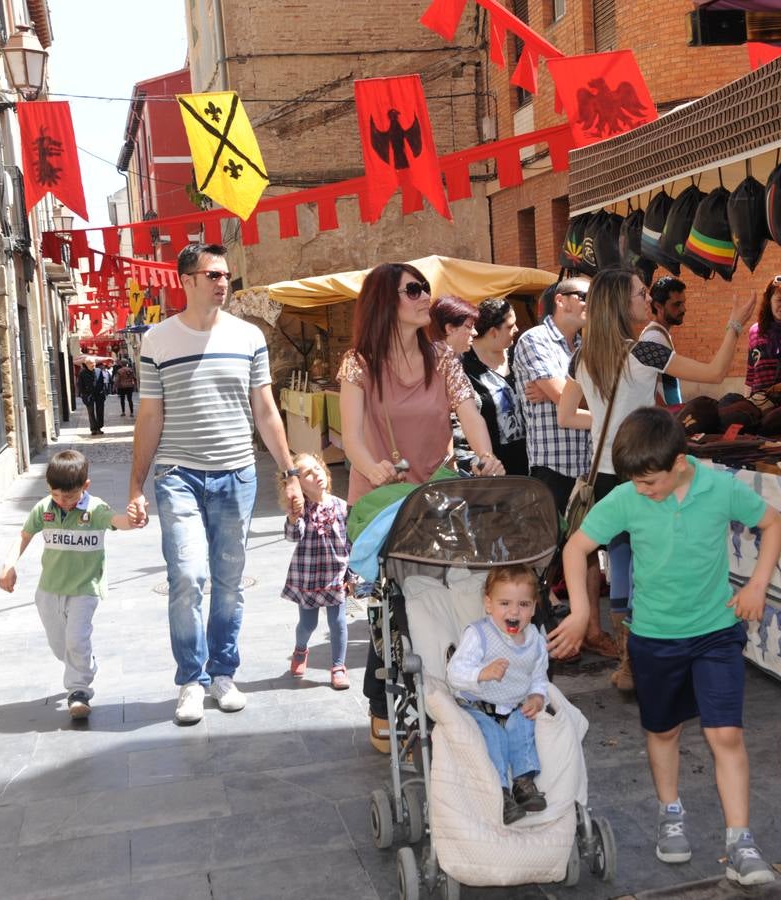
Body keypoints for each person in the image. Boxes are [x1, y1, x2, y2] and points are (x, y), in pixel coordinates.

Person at [551, 407, 781, 886]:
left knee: (726, 735)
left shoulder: (719, 488)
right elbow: (576, 548)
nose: (643, 491)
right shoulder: (626, 497)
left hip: (717, 631)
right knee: (664, 732)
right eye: (636, 483)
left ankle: (740, 841)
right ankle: (670, 811)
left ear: (680, 461)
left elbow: (774, 524)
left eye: (650, 482)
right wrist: (579, 612)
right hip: (654, 638)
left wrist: (757, 584)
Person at [127, 242, 304, 727]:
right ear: (186, 280)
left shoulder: (249, 337)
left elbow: (266, 411)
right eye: (212, 275)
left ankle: (223, 672)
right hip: (177, 474)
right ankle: (190, 679)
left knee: (228, 581)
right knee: (186, 575)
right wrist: (135, 486)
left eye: (226, 275)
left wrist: (289, 474)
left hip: (236, 474)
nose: (223, 283)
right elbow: (149, 416)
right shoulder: (157, 341)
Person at [558, 267, 756, 693]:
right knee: (655, 568)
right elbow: (716, 372)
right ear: (619, 303)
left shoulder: (582, 356)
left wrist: (608, 429)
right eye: (639, 293)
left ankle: (631, 663)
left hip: (605, 477)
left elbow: (565, 415)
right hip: (644, 474)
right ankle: (645, 658)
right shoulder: (645, 351)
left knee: (624, 567)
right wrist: (735, 324)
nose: (646, 299)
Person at [338, 262, 505, 751]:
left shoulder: (442, 358)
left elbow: (469, 413)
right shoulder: (360, 362)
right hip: (383, 497)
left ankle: (451, 689)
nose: (422, 297)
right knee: (397, 599)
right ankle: (380, 702)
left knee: (449, 592)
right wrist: (373, 467)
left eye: (425, 289)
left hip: (438, 494)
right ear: (384, 300)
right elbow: (350, 437)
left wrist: (487, 457)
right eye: (412, 289)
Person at [514, 275, 618, 659]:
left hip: (587, 465)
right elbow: (567, 401)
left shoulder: (588, 345)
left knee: (588, 548)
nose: (592, 302)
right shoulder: (534, 341)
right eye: (585, 296)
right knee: (548, 552)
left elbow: (590, 395)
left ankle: (589, 629)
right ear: (561, 300)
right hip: (553, 465)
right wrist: (562, 395)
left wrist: (566, 397)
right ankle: (542, 636)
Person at [0, 449, 142, 720]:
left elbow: (117, 522)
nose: (62, 501)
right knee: (59, 645)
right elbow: (24, 535)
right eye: (56, 494)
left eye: (70, 496)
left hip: (85, 589)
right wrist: (9, 564)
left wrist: (133, 520)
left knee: (76, 640)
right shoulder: (44, 508)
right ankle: (85, 664)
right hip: (49, 589)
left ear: (85, 487)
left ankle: (79, 692)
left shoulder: (95, 508)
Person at [446, 564, 550, 825]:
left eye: (524, 604)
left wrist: (537, 697)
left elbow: (539, 676)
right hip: (479, 705)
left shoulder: (536, 641)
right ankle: (501, 792)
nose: (514, 611)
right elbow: (454, 672)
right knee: (492, 737)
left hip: (514, 705)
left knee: (525, 725)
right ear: (488, 605)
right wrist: (482, 672)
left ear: (534, 607)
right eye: (505, 603)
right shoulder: (479, 634)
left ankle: (523, 782)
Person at [680, 274, 781, 436]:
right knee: (728, 401)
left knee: (779, 417)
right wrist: (747, 400)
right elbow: (752, 371)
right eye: (779, 300)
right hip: (759, 400)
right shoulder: (756, 330)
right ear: (769, 301)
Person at [282, 452, 352, 690]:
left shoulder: (342, 507)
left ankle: (338, 666)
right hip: (309, 577)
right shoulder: (302, 511)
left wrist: (351, 575)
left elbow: (350, 542)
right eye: (307, 474)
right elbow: (293, 536)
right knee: (308, 624)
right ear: (297, 484)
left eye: (317, 469)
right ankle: (300, 649)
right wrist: (293, 517)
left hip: (335, 576)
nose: (316, 475)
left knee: (339, 623)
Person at [462, 298, 529, 476]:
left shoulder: (518, 355)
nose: (516, 330)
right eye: (510, 326)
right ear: (492, 332)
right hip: (491, 469)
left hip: (530, 464)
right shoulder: (465, 365)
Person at [429, 295, 481, 475]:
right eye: (469, 326)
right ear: (449, 328)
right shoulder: (435, 362)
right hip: (445, 466)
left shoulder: (453, 360)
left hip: (457, 464)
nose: (474, 332)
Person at [640, 276, 687, 406]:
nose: (683, 309)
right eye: (677, 304)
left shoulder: (659, 334)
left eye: (683, 303)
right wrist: (667, 416)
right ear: (658, 306)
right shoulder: (654, 338)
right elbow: (646, 387)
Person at [77, 359, 105, 435]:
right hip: (88, 395)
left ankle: (99, 427)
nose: (93, 365)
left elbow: (102, 382)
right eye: (91, 363)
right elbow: (80, 385)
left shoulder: (98, 370)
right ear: (87, 364)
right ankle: (93, 429)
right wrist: (83, 395)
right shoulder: (82, 373)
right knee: (91, 412)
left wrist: (103, 391)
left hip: (99, 394)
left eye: (94, 363)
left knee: (100, 411)